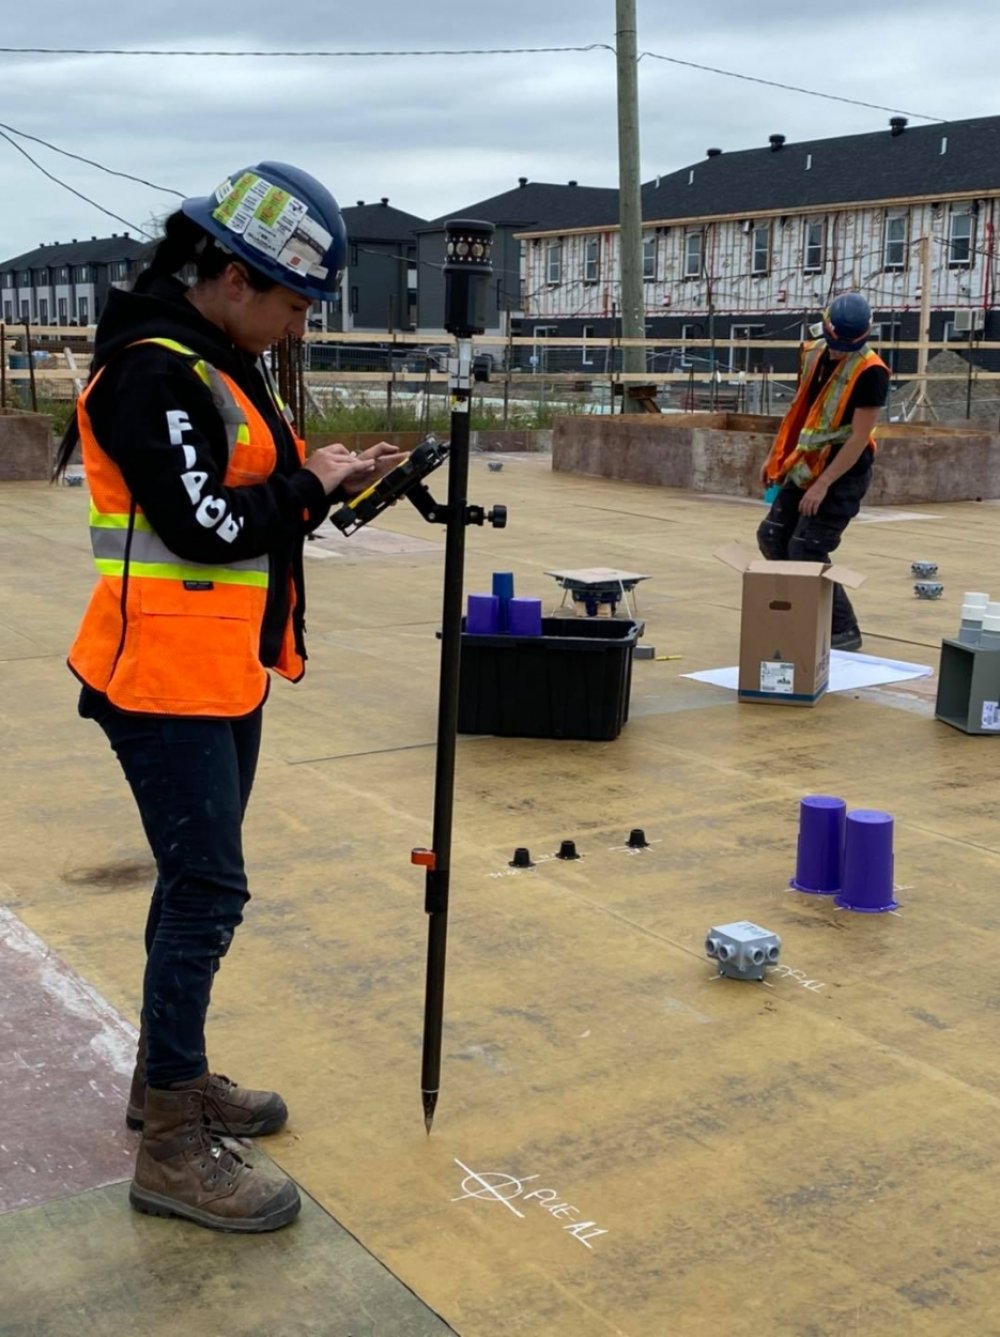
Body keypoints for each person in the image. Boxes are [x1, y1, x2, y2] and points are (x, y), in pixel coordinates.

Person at [54, 162, 406, 1233]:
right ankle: (170, 1146)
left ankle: (166, 1074)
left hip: (217, 670)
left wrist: (323, 475)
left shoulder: (218, 360)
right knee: (209, 889)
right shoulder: (152, 372)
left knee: (193, 885)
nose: (298, 325)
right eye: (294, 304)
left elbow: (249, 490)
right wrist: (307, 486)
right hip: (159, 678)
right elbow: (205, 523)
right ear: (235, 277)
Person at [757, 292, 889, 651]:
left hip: (843, 473)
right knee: (772, 537)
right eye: (836, 343)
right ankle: (803, 611)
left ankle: (842, 631)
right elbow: (800, 410)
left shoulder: (871, 371)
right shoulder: (813, 353)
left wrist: (824, 485)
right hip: (806, 464)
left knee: (807, 548)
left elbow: (859, 437)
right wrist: (775, 456)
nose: (840, 351)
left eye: (848, 346)